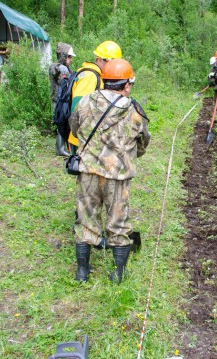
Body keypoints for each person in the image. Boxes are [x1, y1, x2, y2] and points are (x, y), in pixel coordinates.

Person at [69, 58, 151, 283]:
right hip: (118, 177)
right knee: (118, 223)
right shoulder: (134, 111)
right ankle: (117, 274)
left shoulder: (86, 102)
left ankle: (82, 272)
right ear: (126, 85)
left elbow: (74, 127)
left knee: (86, 220)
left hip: (88, 172)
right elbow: (143, 141)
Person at [68, 40, 122, 153]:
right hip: (83, 140)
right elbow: (77, 109)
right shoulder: (90, 77)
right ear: (99, 59)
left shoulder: (96, 76)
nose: (113, 67)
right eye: (110, 63)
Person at [49, 42, 75, 156]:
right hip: (58, 101)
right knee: (61, 123)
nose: (70, 59)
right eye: (68, 56)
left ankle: (66, 146)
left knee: (66, 123)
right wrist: (60, 67)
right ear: (62, 55)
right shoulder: (55, 67)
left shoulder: (68, 68)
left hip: (66, 100)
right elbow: (53, 70)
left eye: (71, 57)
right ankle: (60, 149)